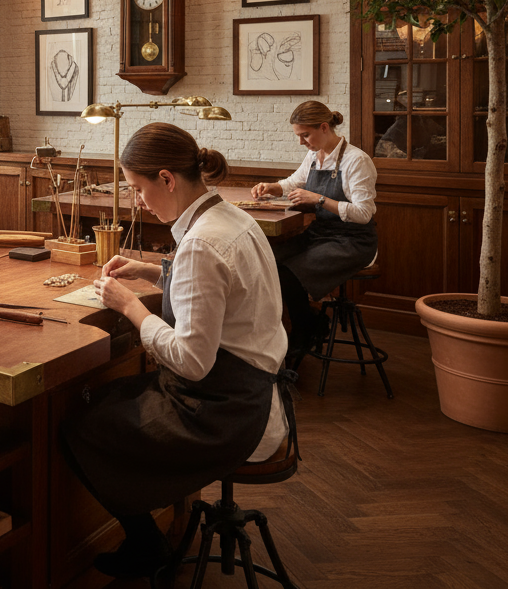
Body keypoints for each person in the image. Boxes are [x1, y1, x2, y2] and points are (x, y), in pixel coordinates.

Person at [61, 123, 293, 581]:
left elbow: (191, 360)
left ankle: (146, 544)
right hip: (250, 391)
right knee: (109, 401)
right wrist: (152, 271)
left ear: (167, 179)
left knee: (79, 428)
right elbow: (223, 293)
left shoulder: (202, 244)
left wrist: (128, 305)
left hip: (224, 413)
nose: (139, 202)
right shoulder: (230, 218)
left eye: (138, 189)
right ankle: (152, 530)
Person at [251, 101, 377, 362]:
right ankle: (310, 322)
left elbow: (364, 214)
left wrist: (319, 199)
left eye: (305, 135)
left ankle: (304, 331)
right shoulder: (314, 155)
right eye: (299, 136)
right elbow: (293, 182)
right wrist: (271, 187)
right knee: (267, 260)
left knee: (288, 274)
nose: (302, 143)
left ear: (323, 127)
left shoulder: (356, 160)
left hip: (353, 240)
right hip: (321, 233)